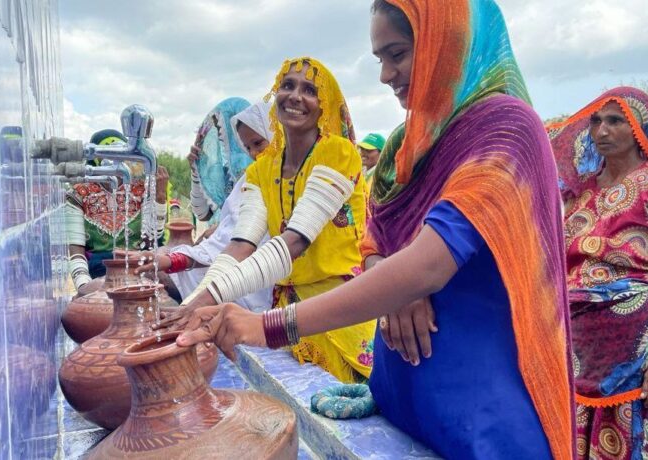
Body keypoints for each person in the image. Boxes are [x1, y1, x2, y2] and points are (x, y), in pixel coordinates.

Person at [175, 1, 574, 458]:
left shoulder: (506, 129)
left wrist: (267, 326)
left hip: (481, 422)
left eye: (397, 54)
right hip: (404, 407)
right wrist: (395, 282)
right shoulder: (406, 146)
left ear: (448, 43)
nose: (385, 75)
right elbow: (373, 242)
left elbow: (428, 263)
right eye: (380, 59)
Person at [162, 56, 376, 384]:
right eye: (287, 85)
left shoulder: (338, 153)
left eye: (310, 90)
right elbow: (240, 245)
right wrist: (193, 305)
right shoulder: (261, 170)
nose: (295, 95)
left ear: (325, 106)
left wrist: (206, 299)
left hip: (337, 313)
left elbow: (294, 242)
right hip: (288, 316)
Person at [548, 87, 648, 459]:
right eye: (595, 121)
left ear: (640, 127)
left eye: (615, 120)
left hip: (641, 361)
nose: (601, 130)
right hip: (577, 356)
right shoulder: (578, 196)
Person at [140, 100, 273, 312]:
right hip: (229, 250)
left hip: (266, 271)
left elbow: (249, 242)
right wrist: (169, 260)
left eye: (258, 143)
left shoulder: (282, 176)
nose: (252, 153)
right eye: (247, 146)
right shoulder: (251, 179)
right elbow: (205, 217)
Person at [65, 129, 169, 296]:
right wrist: (84, 289)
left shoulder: (143, 189)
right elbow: (76, 252)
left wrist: (160, 198)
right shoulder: (78, 195)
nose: (114, 161)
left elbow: (152, 242)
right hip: (100, 269)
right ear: (96, 159)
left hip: (140, 267)